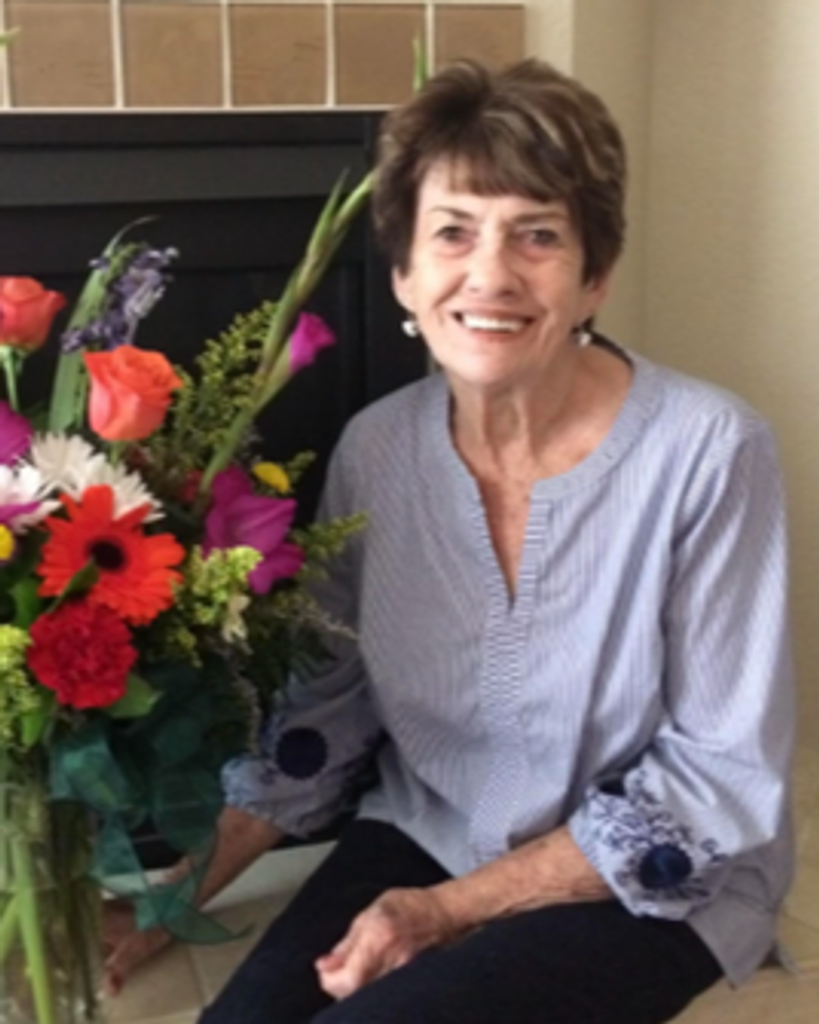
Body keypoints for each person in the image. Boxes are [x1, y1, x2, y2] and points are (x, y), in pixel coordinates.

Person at [104, 59, 795, 1024]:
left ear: (594, 278)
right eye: (453, 232)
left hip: (649, 875)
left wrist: (445, 912)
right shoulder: (376, 449)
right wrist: (176, 898)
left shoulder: (709, 449)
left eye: (537, 235)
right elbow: (326, 717)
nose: (491, 274)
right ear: (404, 274)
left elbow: (716, 778)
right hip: (431, 828)